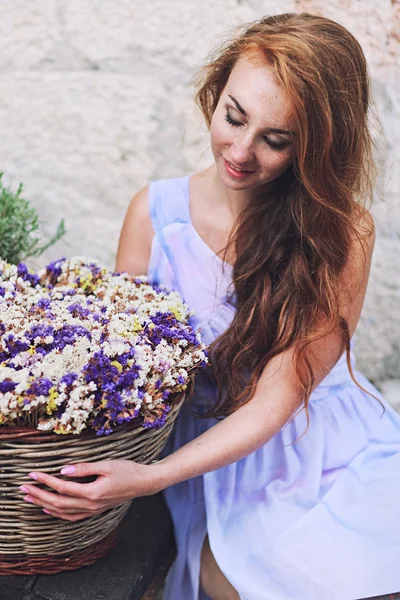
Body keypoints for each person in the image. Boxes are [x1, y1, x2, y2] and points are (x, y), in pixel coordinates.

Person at [21, 13, 400, 600]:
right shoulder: (154, 215)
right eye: (234, 116)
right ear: (215, 92)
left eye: (276, 140)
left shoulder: (340, 232)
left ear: (316, 147)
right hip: (207, 453)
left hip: (313, 439)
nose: (241, 152)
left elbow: (278, 398)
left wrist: (150, 479)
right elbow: (129, 367)